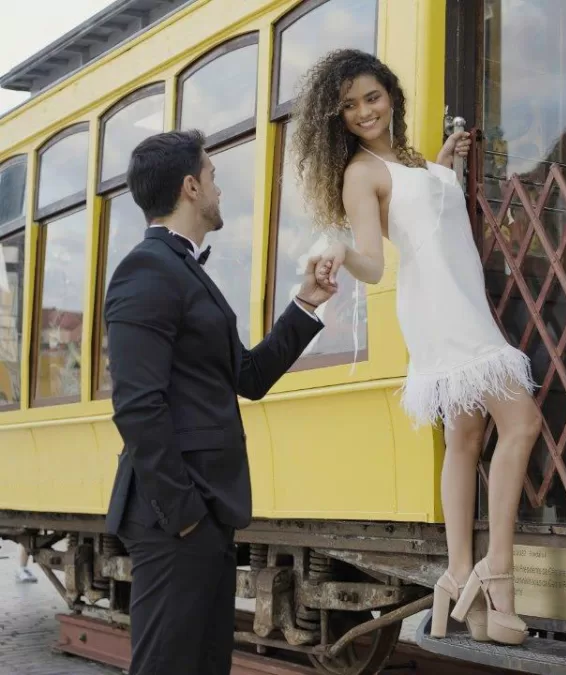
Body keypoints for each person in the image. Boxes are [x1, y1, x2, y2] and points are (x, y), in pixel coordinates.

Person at [290, 49, 542, 646]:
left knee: (466, 436)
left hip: (460, 298)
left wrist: (442, 163)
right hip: (441, 308)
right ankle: (496, 570)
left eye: (372, 97)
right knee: (522, 421)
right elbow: (375, 264)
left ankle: (458, 572)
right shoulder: (360, 173)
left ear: (391, 96)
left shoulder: (406, 160)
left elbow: (423, 201)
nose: (363, 112)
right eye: (349, 106)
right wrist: (337, 250)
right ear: (337, 119)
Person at [102, 129, 336, 675]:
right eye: (213, 177)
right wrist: (183, 514)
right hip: (175, 517)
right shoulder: (146, 270)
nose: (219, 191)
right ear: (190, 187)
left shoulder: (183, 271)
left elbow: (247, 377)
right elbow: (138, 406)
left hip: (206, 514)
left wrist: (306, 303)